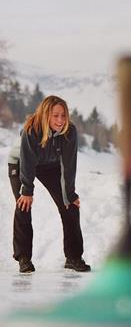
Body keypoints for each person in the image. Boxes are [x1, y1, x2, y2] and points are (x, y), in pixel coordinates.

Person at [8, 95, 91, 273]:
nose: (60, 120)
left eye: (63, 115)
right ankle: (23, 258)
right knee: (23, 205)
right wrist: (27, 191)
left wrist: (70, 194)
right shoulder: (31, 130)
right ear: (46, 115)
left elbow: (68, 166)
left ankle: (74, 257)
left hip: (50, 166)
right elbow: (27, 162)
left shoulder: (70, 131)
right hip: (20, 163)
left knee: (70, 206)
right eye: (55, 116)